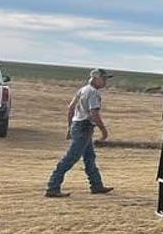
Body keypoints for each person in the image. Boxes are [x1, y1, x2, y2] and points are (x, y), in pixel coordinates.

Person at [45, 68, 114, 198]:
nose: (105, 82)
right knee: (70, 158)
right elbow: (94, 114)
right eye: (104, 79)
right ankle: (52, 187)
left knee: (89, 158)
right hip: (84, 127)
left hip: (78, 126)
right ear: (96, 78)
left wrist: (70, 127)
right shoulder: (93, 93)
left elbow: (71, 108)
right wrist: (104, 131)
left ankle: (97, 185)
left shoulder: (83, 89)